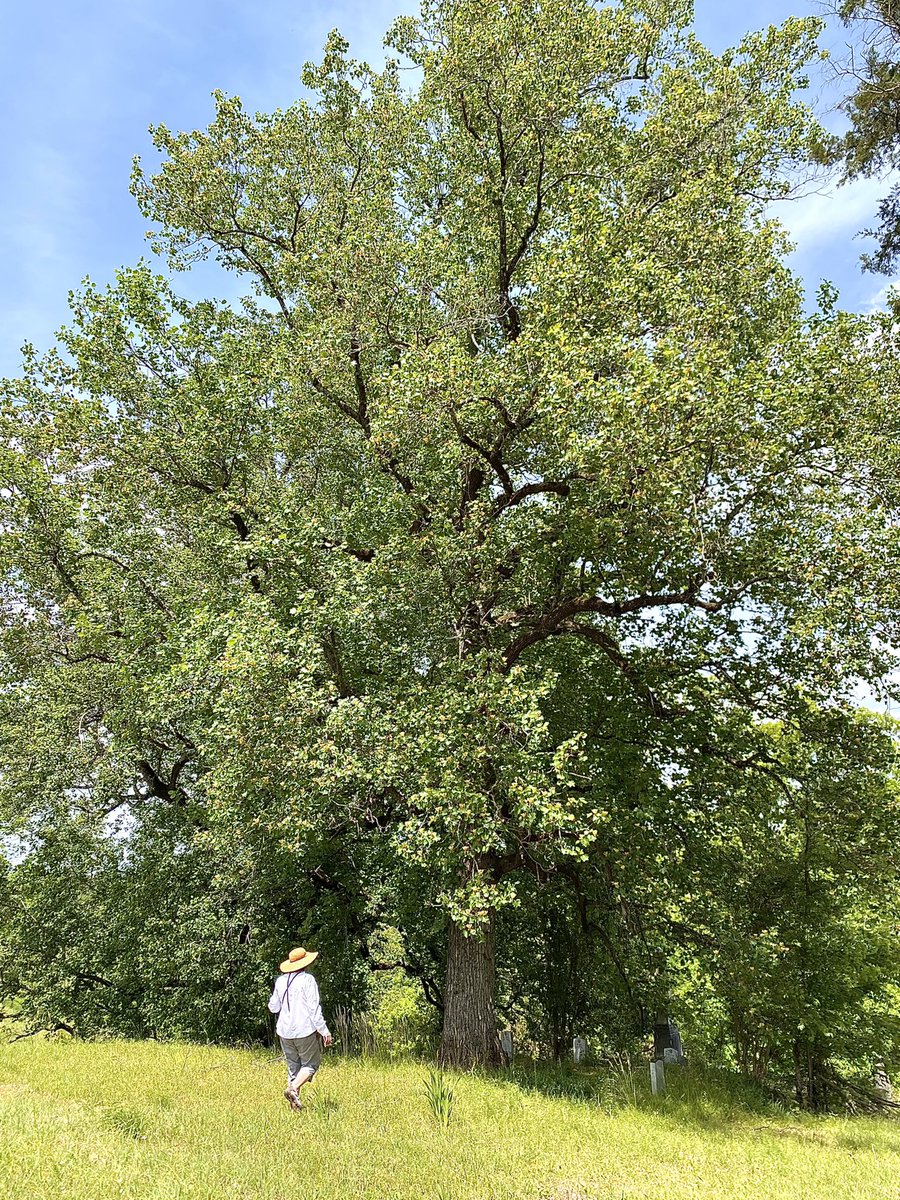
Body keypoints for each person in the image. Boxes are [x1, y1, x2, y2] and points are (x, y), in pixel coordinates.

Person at [268, 946, 332, 1111]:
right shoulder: (307, 980)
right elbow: (314, 1008)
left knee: (293, 1067)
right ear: (305, 963)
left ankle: (294, 1107)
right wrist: (324, 1030)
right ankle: (294, 1088)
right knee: (311, 1064)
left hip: (284, 1031)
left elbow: (273, 1007)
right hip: (304, 1030)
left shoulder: (281, 981)